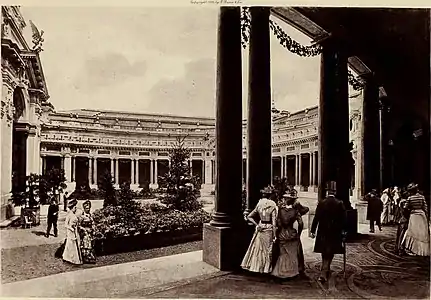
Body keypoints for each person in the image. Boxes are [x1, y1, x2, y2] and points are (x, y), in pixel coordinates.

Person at [310, 181, 347, 283]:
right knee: (330, 251)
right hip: (335, 232)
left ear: (327, 192)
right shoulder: (340, 203)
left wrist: (312, 230)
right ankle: (324, 271)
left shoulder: (322, 203)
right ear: (334, 193)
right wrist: (344, 231)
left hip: (323, 231)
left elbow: (316, 218)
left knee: (324, 251)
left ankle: (325, 269)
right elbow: (344, 219)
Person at [241, 185, 278, 274]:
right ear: (270, 195)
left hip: (261, 227)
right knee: (267, 249)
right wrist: (275, 235)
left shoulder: (259, 204)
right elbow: (274, 222)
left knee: (258, 249)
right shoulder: (272, 205)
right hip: (268, 228)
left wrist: (257, 224)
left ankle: (257, 268)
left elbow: (249, 216)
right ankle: (266, 269)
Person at [271, 192, 305, 280]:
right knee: (293, 253)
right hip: (292, 233)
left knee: (283, 253)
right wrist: (299, 233)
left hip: (282, 233)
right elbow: (301, 223)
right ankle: (292, 272)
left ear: (285, 200)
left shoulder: (280, 210)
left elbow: (277, 223)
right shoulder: (295, 211)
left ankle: (281, 271)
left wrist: (277, 232)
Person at [402, 183, 430, 256]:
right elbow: (425, 207)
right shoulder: (422, 197)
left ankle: (413, 249)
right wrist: (427, 216)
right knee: (422, 232)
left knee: (413, 232)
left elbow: (405, 208)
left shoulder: (410, 198)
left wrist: (407, 214)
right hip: (422, 215)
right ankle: (422, 250)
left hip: (414, 215)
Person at [291, 191, 309, 277]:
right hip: (295, 227)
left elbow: (306, 209)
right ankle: (299, 267)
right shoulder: (295, 209)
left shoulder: (287, 208)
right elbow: (306, 209)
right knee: (297, 246)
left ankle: (296, 266)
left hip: (292, 227)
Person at [62, 198, 83, 265]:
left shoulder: (74, 215)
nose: (75, 208)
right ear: (71, 208)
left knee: (76, 244)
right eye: (74, 207)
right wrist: (71, 228)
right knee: (71, 245)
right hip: (71, 232)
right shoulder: (69, 215)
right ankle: (70, 258)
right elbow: (66, 225)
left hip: (75, 231)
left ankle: (76, 258)